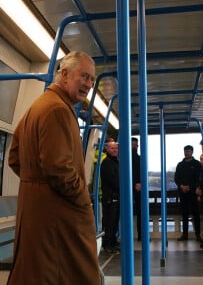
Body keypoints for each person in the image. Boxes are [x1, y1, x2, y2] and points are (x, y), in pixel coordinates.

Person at [8, 51, 101, 284]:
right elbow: (59, 169)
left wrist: (34, 184)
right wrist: (82, 198)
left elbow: (14, 158)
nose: (89, 84)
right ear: (65, 74)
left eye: (92, 79)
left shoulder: (37, 106)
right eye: (84, 77)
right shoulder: (58, 109)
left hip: (34, 209)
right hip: (57, 214)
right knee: (72, 273)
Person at [175, 145, 202, 241]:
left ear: (192, 152)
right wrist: (182, 186)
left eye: (188, 151)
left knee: (196, 214)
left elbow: (199, 179)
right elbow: (176, 178)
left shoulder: (197, 164)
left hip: (193, 194)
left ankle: (198, 234)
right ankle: (185, 234)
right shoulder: (180, 165)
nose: (187, 153)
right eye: (185, 151)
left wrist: (190, 187)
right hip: (183, 194)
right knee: (184, 214)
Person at [100, 138, 120, 254]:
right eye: (112, 148)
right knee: (109, 222)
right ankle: (107, 245)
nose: (114, 150)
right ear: (106, 149)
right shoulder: (107, 163)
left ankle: (112, 242)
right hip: (110, 198)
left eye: (116, 148)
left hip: (115, 197)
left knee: (114, 222)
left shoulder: (115, 162)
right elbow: (113, 181)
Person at [131, 137, 142, 240]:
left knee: (140, 212)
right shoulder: (124, 159)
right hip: (129, 188)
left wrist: (140, 183)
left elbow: (142, 173)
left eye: (136, 145)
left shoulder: (140, 159)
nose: (134, 146)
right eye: (132, 144)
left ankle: (141, 235)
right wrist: (135, 183)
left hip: (139, 188)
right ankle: (128, 235)